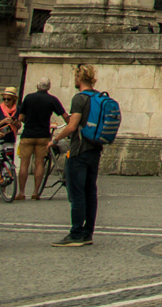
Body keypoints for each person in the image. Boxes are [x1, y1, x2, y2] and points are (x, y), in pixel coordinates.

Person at [51, 64, 106, 247]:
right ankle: (88, 232)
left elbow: (72, 126)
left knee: (77, 193)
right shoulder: (99, 97)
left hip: (79, 150)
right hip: (95, 150)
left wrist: (55, 139)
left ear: (78, 78)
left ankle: (76, 233)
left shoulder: (80, 98)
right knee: (90, 191)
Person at [16, 77, 66, 199]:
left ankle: (21, 192)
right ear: (48, 87)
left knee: (24, 164)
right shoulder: (52, 100)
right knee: (39, 164)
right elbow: (65, 115)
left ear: (38, 85)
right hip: (43, 135)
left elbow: (21, 117)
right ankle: (35, 192)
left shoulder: (28, 98)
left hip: (28, 134)